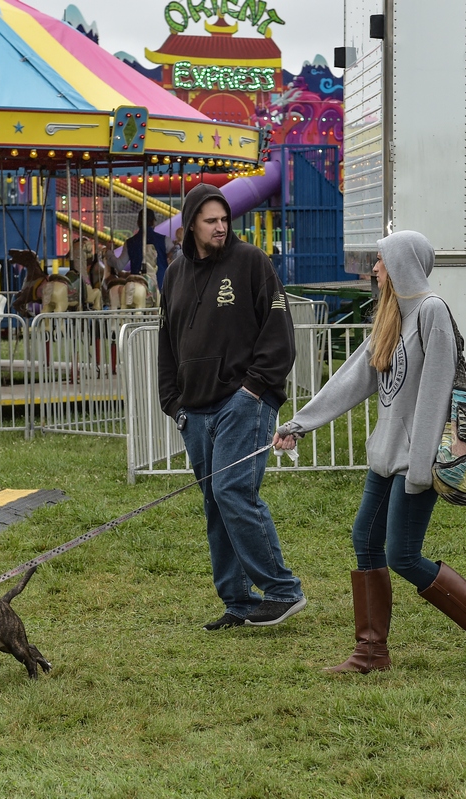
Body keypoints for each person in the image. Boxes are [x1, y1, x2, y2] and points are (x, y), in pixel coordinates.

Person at [273, 230, 466, 677]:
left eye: (381, 260)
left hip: (416, 462)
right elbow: (352, 379)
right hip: (385, 459)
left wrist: (421, 466)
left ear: (402, 263)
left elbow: (436, 391)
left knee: (403, 555)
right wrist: (299, 424)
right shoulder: (392, 317)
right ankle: (371, 652)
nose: (374, 268)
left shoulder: (431, 312)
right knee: (365, 542)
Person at [158, 184, 307, 630]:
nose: (221, 226)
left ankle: (282, 590)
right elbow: (166, 342)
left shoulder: (251, 263)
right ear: (190, 227)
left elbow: (279, 332)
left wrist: (255, 389)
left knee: (232, 492)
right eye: (211, 220)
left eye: (225, 219)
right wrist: (173, 404)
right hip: (194, 409)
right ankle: (239, 602)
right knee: (215, 502)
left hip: (245, 401)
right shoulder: (175, 273)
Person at [126, 208, 170, 294]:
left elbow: (119, 265)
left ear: (138, 222)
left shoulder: (129, 243)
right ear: (153, 222)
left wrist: (109, 254)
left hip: (136, 283)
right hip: (161, 283)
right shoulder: (165, 240)